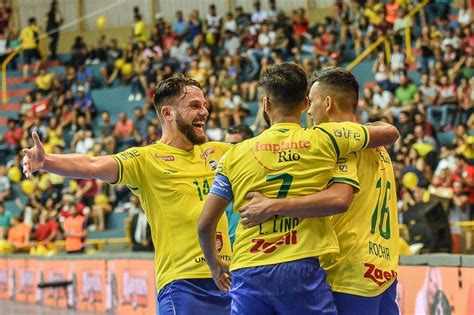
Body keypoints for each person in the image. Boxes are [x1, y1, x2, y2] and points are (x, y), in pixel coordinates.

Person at [197, 63, 399, 314]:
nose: (311, 112)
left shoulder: (334, 144)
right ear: (301, 104)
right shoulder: (377, 147)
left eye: (313, 102)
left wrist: (272, 205)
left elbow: (340, 198)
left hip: (347, 272)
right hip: (383, 270)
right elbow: (391, 131)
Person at [22, 75, 232, 314]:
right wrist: (47, 161)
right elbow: (92, 164)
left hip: (228, 279)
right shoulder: (145, 159)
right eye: (195, 106)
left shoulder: (220, 153)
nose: (205, 112)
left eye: (204, 105)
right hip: (184, 286)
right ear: (167, 113)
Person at [223, 124, 254, 247]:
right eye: (227, 145)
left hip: (251, 249)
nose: (229, 151)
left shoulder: (258, 176)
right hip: (226, 251)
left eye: (235, 145)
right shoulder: (221, 177)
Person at [19, 17, 41, 81]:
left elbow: (20, 39)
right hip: (32, 47)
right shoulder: (34, 28)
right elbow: (40, 29)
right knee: (39, 59)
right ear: (34, 22)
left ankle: (25, 76)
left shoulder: (23, 30)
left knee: (26, 63)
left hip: (25, 48)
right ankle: (35, 71)